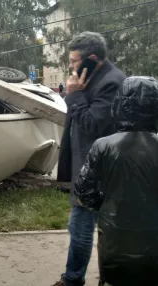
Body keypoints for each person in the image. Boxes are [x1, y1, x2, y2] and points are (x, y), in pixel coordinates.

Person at [53, 31, 126, 286]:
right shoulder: (92, 77)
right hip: (86, 168)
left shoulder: (112, 83)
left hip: (98, 172)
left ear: (91, 58)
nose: (70, 66)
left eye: (73, 61)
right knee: (85, 227)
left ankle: (73, 280)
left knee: (82, 228)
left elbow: (93, 126)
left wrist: (73, 95)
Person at [74, 76, 158, 286]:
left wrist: (107, 205)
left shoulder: (103, 146)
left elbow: (84, 191)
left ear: (120, 104)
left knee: (114, 279)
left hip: (115, 233)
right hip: (154, 236)